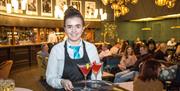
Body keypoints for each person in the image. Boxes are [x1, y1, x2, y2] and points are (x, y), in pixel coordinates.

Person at [46, 6, 101, 90]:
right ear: (65, 29)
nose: (74, 30)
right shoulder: (56, 50)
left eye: (78, 26)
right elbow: (50, 78)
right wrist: (61, 82)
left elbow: (96, 76)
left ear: (83, 28)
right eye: (69, 27)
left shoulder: (91, 48)